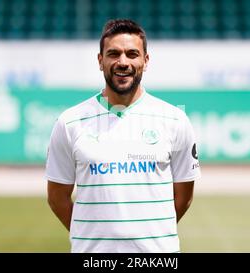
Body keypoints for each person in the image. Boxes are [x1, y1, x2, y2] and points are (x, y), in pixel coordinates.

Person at [46, 19, 200, 253]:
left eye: (132, 54)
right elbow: (57, 198)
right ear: (100, 61)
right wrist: (94, 239)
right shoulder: (69, 122)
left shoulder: (175, 120)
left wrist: (149, 237)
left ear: (145, 61)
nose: (123, 62)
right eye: (113, 54)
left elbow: (183, 197)